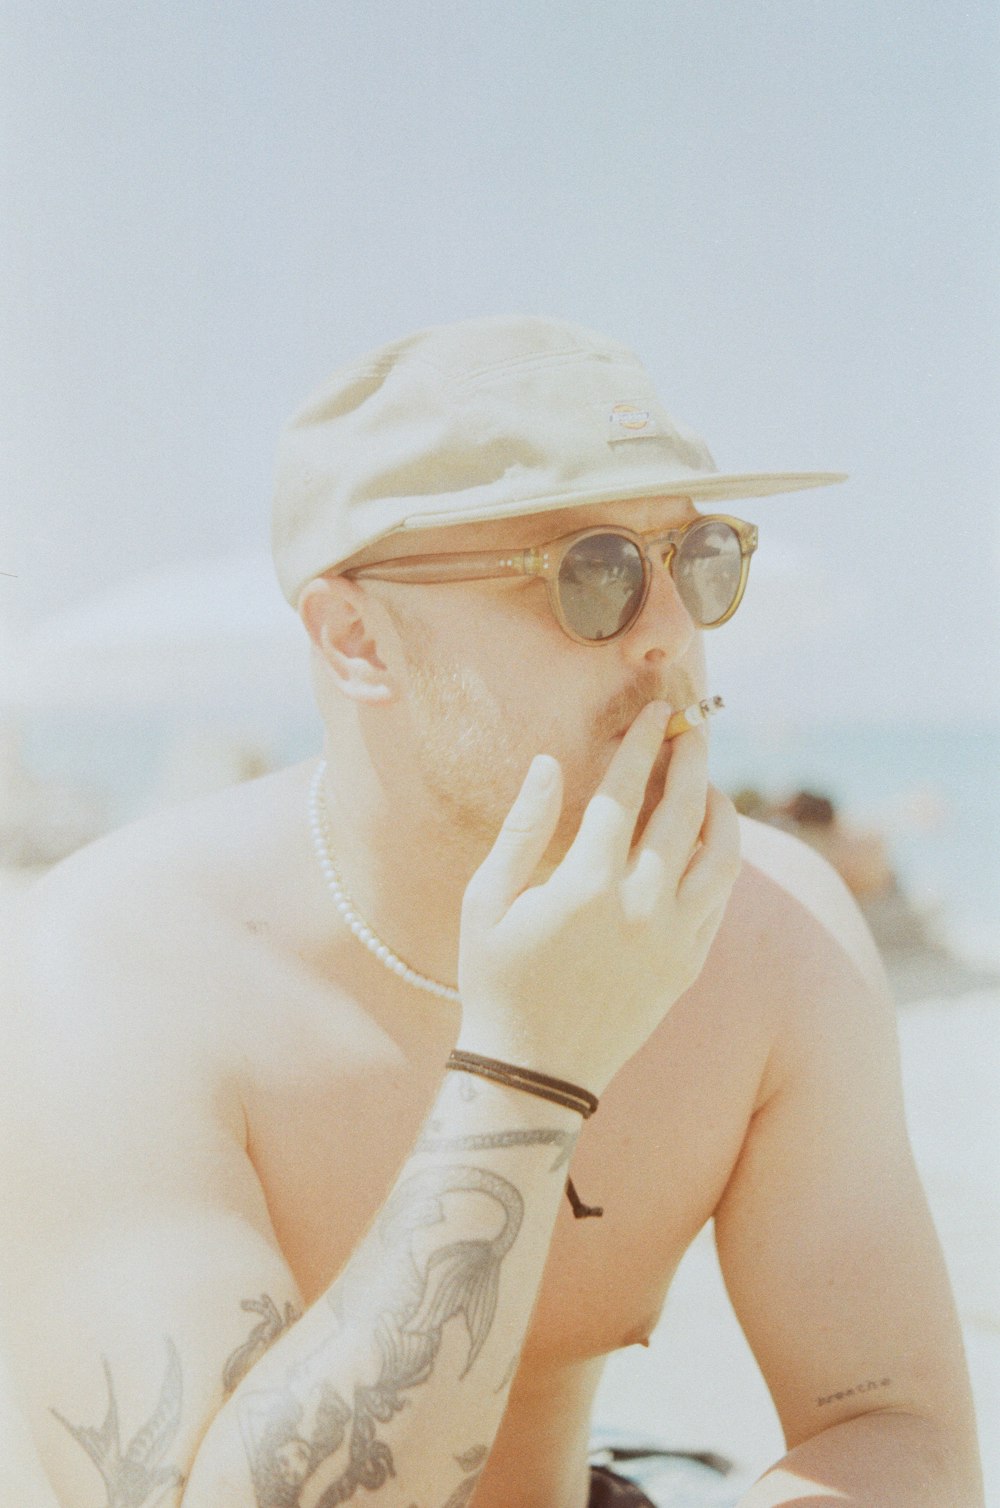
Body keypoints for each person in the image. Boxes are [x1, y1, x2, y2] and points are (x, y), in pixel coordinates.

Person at [0, 316, 983, 1508]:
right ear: (358, 638)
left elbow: (892, 1427)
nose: (674, 630)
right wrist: (527, 1068)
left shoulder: (777, 936)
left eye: (700, 557)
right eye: (595, 572)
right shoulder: (118, 969)